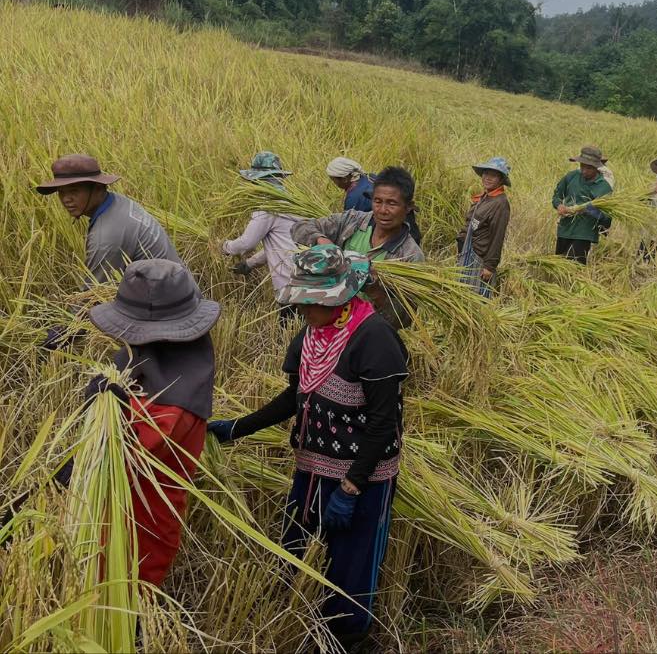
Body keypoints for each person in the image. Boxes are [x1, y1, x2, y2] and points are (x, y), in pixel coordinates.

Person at [207, 245, 407, 650]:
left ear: (343, 297)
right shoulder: (314, 333)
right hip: (312, 467)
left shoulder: (375, 339)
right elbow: (294, 396)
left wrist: (352, 488)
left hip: (362, 478)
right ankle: (296, 620)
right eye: (301, 302)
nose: (304, 310)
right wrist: (238, 428)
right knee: (295, 546)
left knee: (352, 563)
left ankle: (347, 638)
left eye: (312, 302)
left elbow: (385, 424)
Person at [61, 259, 219, 586]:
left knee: (125, 605)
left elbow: (118, 455)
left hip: (137, 532)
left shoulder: (172, 406)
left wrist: (103, 414)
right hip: (120, 514)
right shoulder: (175, 360)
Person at [35, 154, 184, 349]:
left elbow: (93, 295)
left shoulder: (107, 235)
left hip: (171, 313)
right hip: (177, 288)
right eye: (61, 192)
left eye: (74, 191)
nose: (66, 200)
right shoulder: (117, 203)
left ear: (97, 188)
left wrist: (65, 332)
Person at [292, 166, 424, 328]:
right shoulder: (352, 221)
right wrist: (322, 241)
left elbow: (403, 320)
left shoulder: (410, 256)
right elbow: (300, 227)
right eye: (377, 201)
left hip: (366, 331)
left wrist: (374, 289)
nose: (383, 210)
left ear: (408, 207)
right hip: (329, 320)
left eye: (392, 203)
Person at [221, 152, 300, 325]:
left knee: (288, 328)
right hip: (306, 273)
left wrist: (224, 247)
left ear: (259, 180)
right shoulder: (292, 201)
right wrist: (250, 264)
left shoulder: (268, 205)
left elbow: (246, 243)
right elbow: (281, 246)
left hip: (289, 280)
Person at [457, 157, 511, 297]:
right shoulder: (485, 198)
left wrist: (489, 266)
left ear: (501, 179)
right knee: (464, 293)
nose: (487, 177)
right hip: (468, 252)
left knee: (477, 296)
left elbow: (497, 236)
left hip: (479, 258)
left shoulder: (500, 203)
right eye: (486, 173)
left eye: (493, 175)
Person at [552, 146, 613, 265]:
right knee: (558, 264)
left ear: (597, 167)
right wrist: (559, 206)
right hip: (565, 229)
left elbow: (606, 218)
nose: (584, 170)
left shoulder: (604, 187)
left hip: (584, 233)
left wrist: (588, 209)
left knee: (574, 266)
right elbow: (557, 196)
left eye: (589, 168)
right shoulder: (572, 176)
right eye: (582, 166)